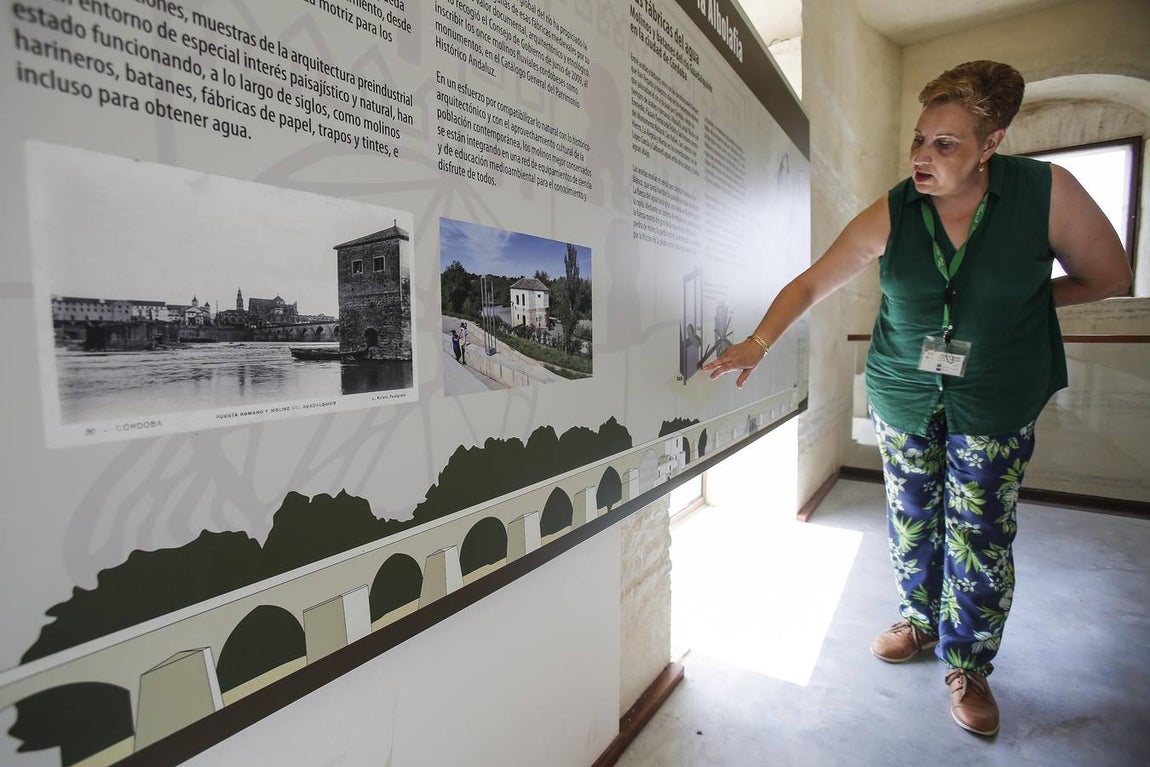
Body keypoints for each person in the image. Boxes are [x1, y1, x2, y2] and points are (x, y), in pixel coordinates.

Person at [703, 60, 1130, 736]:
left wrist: (1024, 306)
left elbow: (1109, 274)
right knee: (910, 519)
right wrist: (758, 340)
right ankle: (921, 620)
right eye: (919, 138)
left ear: (991, 146)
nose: (922, 157)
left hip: (995, 396)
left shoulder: (1045, 193)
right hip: (904, 391)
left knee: (980, 533)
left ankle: (969, 663)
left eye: (946, 144)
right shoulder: (896, 209)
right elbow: (813, 283)